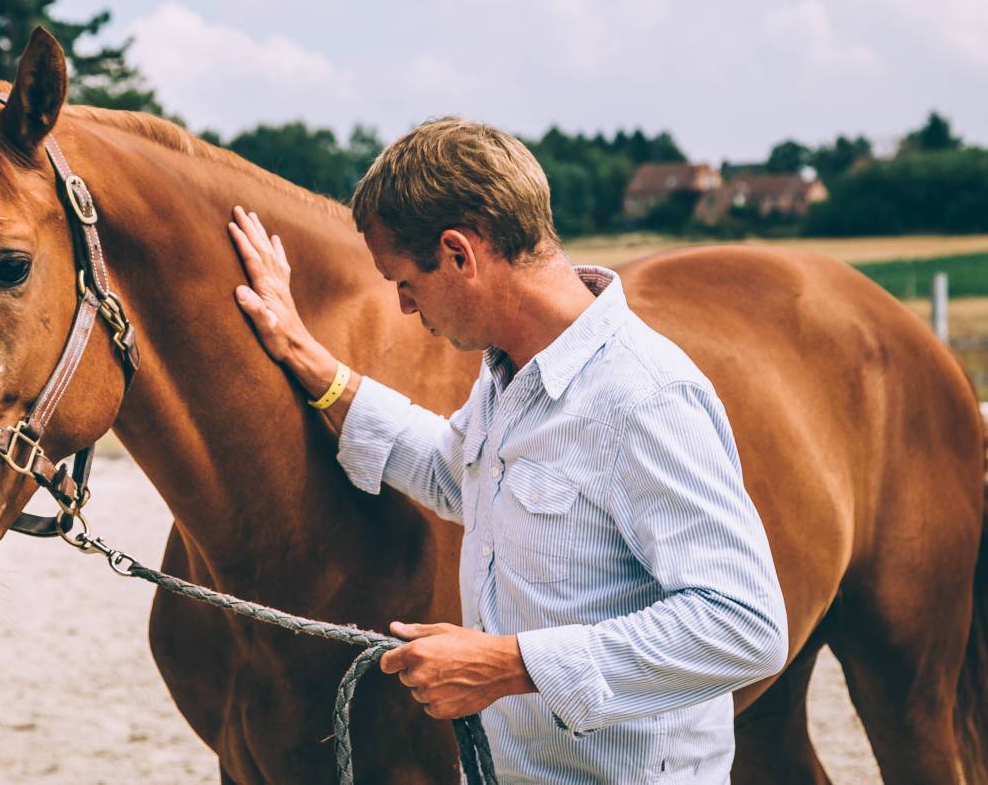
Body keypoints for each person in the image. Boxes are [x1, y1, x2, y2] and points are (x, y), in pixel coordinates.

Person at [227, 116, 788, 784]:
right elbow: (448, 470)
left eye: (405, 280)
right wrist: (303, 354)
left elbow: (745, 627)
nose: (405, 306)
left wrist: (508, 665)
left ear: (460, 253)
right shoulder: (510, 373)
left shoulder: (644, 396)